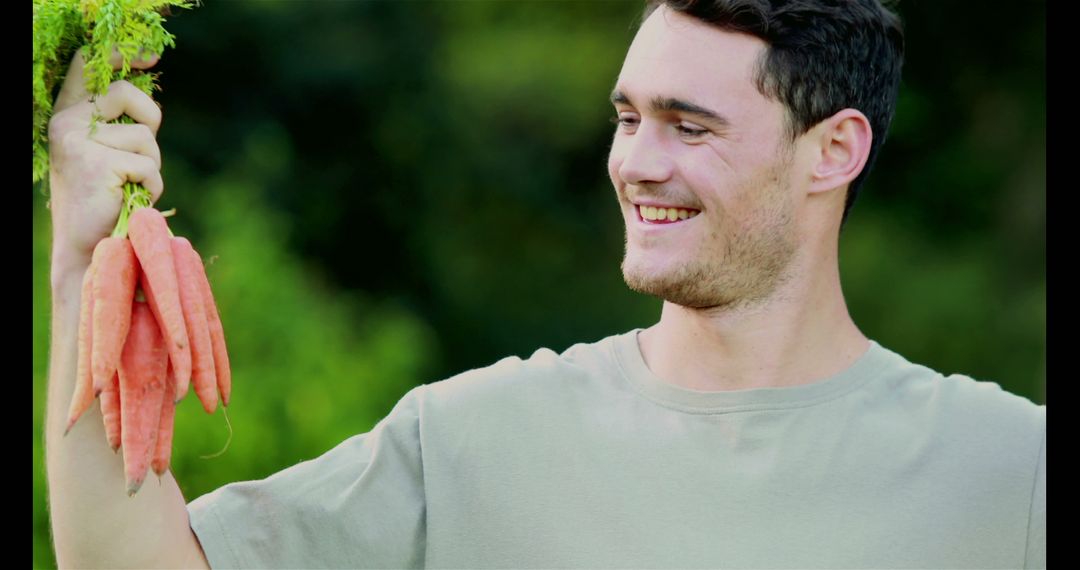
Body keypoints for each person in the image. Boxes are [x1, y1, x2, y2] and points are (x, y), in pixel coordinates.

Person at [44, 0, 1045, 568]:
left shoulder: (1015, 470)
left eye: (689, 127)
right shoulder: (472, 439)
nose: (637, 163)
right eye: (627, 118)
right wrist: (82, 258)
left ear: (834, 151)